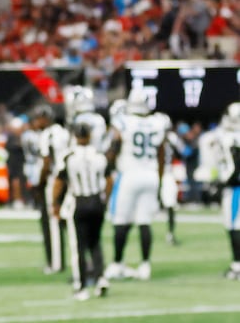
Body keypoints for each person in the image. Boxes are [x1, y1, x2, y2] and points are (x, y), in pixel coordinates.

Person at [104, 89, 168, 281]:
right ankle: (145, 264)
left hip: (129, 174)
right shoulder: (157, 122)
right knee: (144, 222)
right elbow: (162, 154)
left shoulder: (123, 121)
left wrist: (107, 166)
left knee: (120, 221)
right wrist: (160, 178)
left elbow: (115, 144)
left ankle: (117, 263)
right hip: (150, 174)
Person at [52, 123, 112, 301]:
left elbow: (59, 182)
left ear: (75, 136)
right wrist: (105, 199)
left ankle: (81, 286)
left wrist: (55, 202)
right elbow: (109, 180)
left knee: (78, 246)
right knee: (95, 242)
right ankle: (101, 278)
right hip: (96, 200)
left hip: (79, 201)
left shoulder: (69, 156)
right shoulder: (99, 155)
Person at [35, 104, 70, 275]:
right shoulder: (64, 132)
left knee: (53, 224)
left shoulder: (46, 134)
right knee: (68, 222)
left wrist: (40, 183)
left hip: (55, 180)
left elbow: (47, 162)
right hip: (68, 180)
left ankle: (56, 264)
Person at [218, 102, 240, 280]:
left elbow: (237, 164)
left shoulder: (231, 137)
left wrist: (226, 182)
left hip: (236, 188)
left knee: (234, 226)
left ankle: (237, 265)